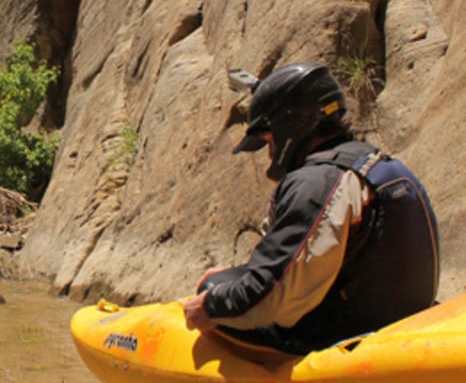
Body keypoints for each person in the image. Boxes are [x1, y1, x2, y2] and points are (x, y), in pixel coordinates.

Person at [182, 61, 440, 353]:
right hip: (400, 315)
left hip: (351, 334)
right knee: (231, 279)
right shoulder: (371, 160)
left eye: (269, 140)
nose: (270, 153)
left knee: (213, 285)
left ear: (290, 127)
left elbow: (277, 297)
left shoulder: (316, 182)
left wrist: (212, 305)